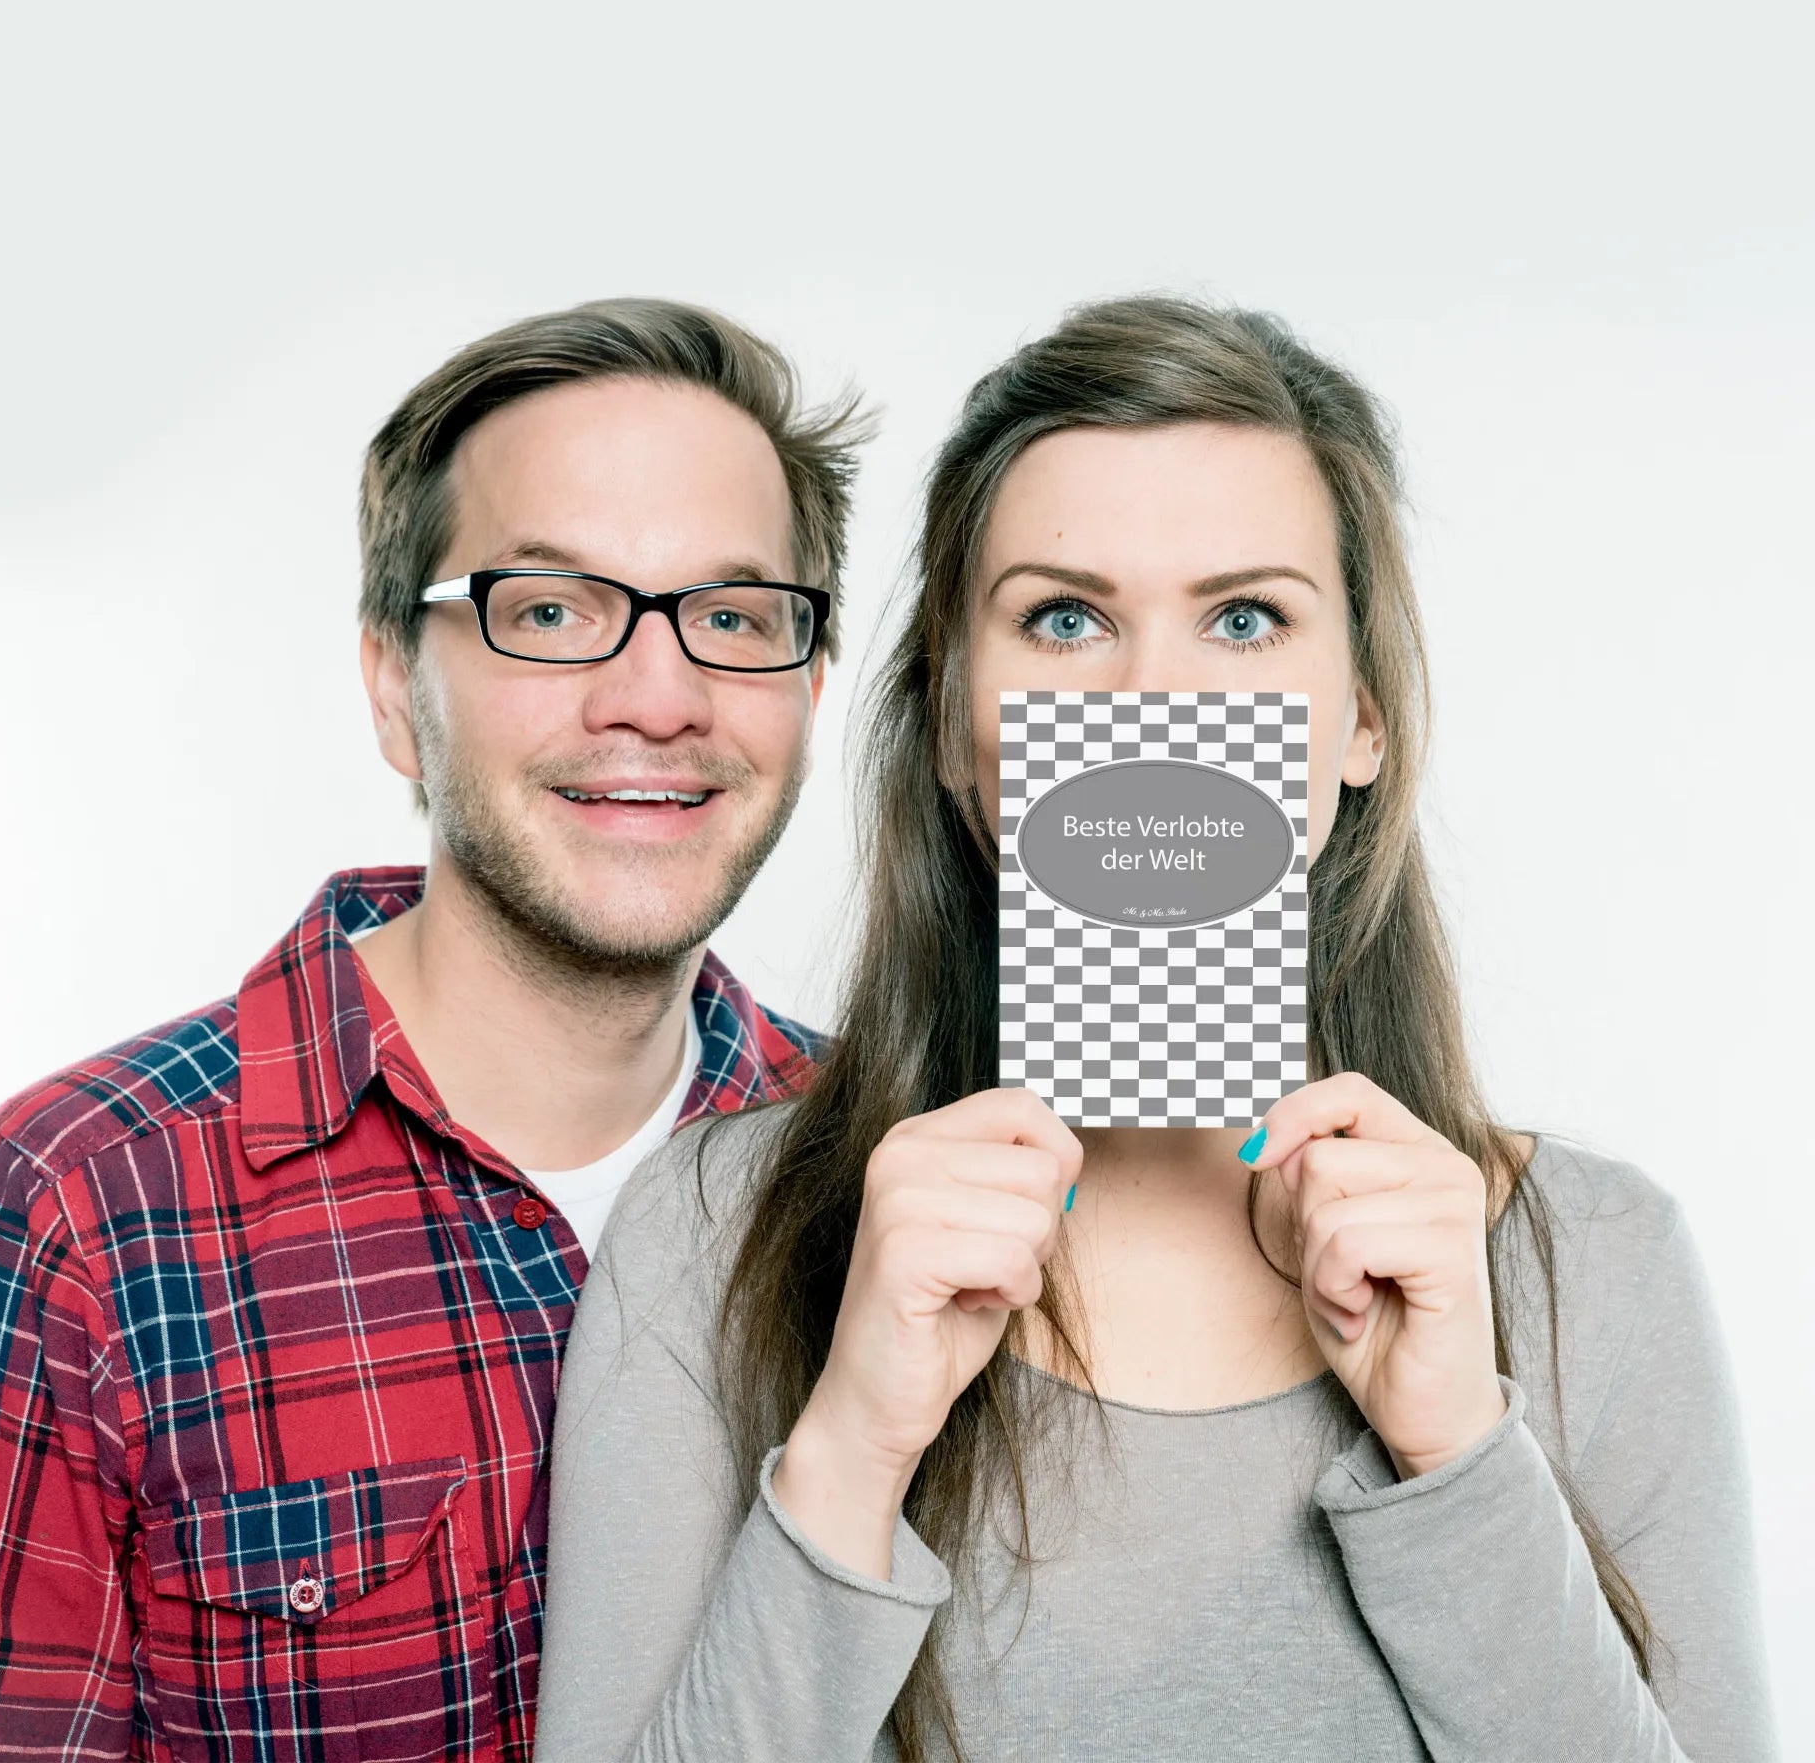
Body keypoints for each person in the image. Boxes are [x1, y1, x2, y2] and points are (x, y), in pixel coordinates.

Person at [532, 296, 1779, 1761]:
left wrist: (1456, 1452)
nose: (1154, 699)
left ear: (1362, 719)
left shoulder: (1597, 1263)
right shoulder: (713, 1233)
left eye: (1245, 620)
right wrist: (853, 1444)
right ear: (953, 723)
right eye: (1065, 620)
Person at [0, 298, 866, 1762]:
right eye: (550, 611)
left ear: (809, 685)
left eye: (734, 619)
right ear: (393, 689)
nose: (659, 697)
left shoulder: (881, 1158)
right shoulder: (70, 1217)